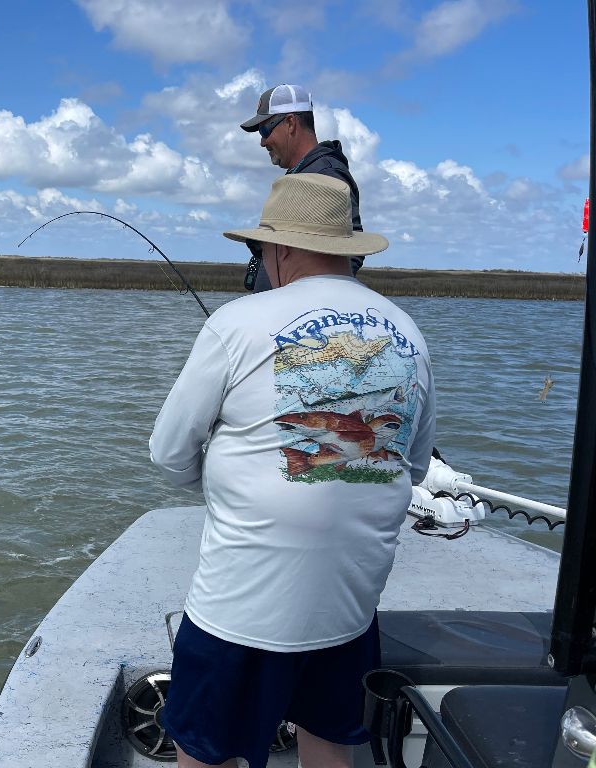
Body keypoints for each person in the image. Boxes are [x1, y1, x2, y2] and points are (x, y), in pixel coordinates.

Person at [149, 173, 436, 768]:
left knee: (203, 748)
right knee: (329, 739)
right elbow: (411, 461)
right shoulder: (409, 333)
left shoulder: (234, 323)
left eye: (259, 250)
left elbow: (169, 453)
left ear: (278, 248)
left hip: (242, 605)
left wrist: (223, 482)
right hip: (349, 611)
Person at [240, 83, 364, 292]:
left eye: (264, 129)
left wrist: (301, 304)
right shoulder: (302, 171)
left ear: (290, 123)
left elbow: (351, 249)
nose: (262, 141)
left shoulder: (326, 174)